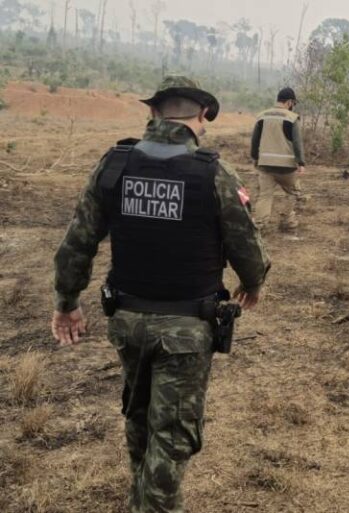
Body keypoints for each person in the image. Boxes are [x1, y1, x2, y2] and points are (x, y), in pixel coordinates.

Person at [50, 75, 271, 513]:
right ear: (202, 117)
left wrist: (67, 302)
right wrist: (253, 283)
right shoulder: (214, 172)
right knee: (170, 440)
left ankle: (141, 502)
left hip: (128, 324)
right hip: (187, 332)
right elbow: (247, 247)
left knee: (140, 423)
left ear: (153, 112)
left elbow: (78, 240)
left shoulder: (115, 164)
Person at [250, 87, 306, 231]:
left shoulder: (262, 116)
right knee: (293, 192)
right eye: (293, 103)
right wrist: (301, 162)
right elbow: (297, 143)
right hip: (286, 167)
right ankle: (287, 221)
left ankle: (260, 225)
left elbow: (255, 140)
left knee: (265, 195)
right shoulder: (291, 118)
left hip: (265, 166)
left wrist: (255, 158)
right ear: (289, 102)